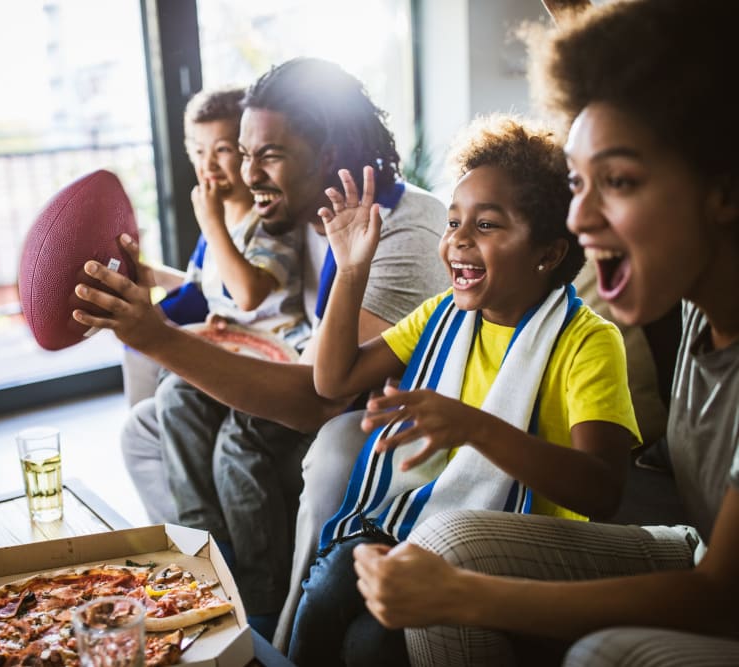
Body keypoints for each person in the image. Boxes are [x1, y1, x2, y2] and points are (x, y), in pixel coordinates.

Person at [352, 1, 739, 665]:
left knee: (606, 653)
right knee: (442, 538)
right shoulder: (702, 312)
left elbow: (720, 596)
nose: (582, 219)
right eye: (579, 184)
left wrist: (464, 595)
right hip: (695, 547)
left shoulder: (594, 335)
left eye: (617, 182)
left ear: (724, 190)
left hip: (719, 585)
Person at [72, 57, 449, 638]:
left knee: (240, 441)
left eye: (268, 155)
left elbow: (321, 398)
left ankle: (262, 614)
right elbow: (225, 293)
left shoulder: (402, 231)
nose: (248, 175)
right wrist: (131, 278)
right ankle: (205, 583)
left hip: (371, 417)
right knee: (160, 416)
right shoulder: (298, 212)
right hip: (307, 371)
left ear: (330, 152)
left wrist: (154, 335)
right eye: (243, 153)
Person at [288, 115, 641, 666]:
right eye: (453, 222)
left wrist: (474, 427)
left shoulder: (590, 342)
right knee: (335, 576)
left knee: (370, 643)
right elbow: (332, 380)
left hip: (522, 544)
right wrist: (352, 270)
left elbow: (600, 491)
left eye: (486, 226)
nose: (456, 241)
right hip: (427, 515)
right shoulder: (444, 314)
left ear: (547, 252)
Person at [123, 87, 307, 406]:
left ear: (247, 150)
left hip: (275, 354)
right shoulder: (220, 220)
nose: (208, 164)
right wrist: (146, 273)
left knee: (170, 380)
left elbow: (248, 294)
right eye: (198, 151)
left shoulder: (268, 221)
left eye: (222, 150)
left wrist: (212, 225)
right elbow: (208, 285)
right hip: (236, 341)